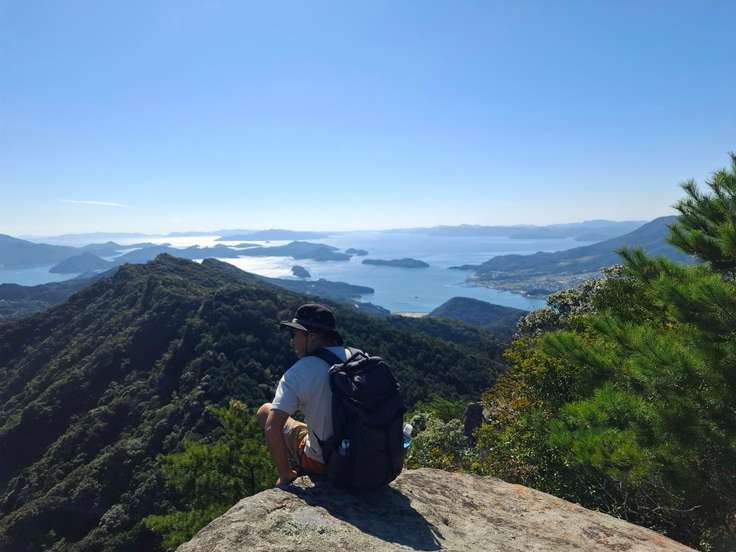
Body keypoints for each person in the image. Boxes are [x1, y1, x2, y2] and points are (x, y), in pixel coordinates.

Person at [257, 303, 350, 486]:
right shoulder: (358, 357)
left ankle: (295, 470)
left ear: (311, 336)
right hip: (372, 457)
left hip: (325, 462)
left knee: (265, 411)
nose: (292, 342)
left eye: (294, 335)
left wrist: (285, 475)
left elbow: (272, 428)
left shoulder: (299, 371)